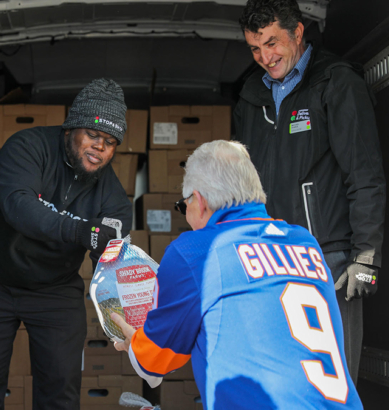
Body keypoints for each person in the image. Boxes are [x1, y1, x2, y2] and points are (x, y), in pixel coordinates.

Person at [111, 140, 363, 409]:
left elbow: (153, 363)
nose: (186, 215)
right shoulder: (306, 242)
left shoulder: (196, 251)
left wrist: (133, 343)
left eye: (184, 205)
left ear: (200, 201)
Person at [233, 0, 386, 385]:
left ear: (298, 32)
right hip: (268, 257)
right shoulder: (251, 96)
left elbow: (364, 173)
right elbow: (240, 182)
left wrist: (365, 256)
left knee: (333, 379)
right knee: (281, 378)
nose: (265, 57)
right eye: (255, 47)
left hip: (328, 258)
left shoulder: (335, 82)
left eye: (272, 43)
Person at [0, 78, 132, 409]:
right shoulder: (27, 147)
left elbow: (112, 248)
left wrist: (123, 310)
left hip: (55, 289)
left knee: (60, 390)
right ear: (71, 129)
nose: (100, 147)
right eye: (93, 135)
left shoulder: (111, 193)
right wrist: (83, 231)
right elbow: (19, 206)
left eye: (110, 142)